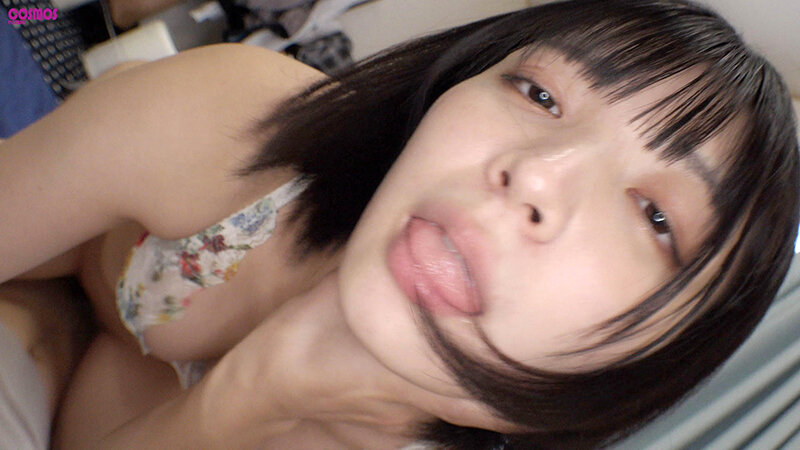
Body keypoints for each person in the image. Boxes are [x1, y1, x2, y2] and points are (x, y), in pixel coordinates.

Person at [1, 0, 798, 448]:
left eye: (655, 215)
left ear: (674, 349)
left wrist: (251, 394)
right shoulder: (230, 127)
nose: (536, 173)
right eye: (540, 94)